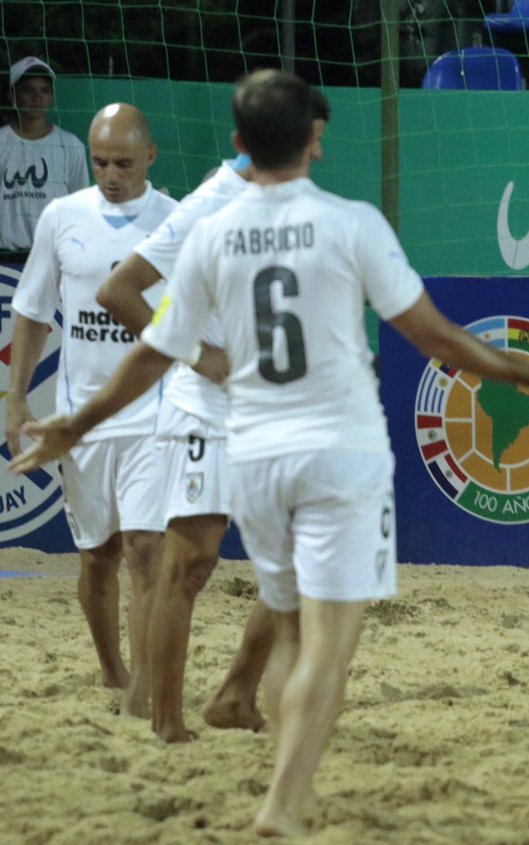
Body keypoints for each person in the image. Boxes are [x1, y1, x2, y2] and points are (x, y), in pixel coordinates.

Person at [9, 69, 529, 837]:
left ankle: (235, 700)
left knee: (248, 595)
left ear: (237, 144)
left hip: (262, 445)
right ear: (316, 141)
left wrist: (73, 418)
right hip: (319, 439)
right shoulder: (339, 222)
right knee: (310, 627)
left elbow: (151, 354)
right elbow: (438, 340)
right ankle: (274, 789)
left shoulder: (219, 231)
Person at [93, 89, 332, 745]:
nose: (316, 149)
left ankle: (233, 694)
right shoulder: (212, 201)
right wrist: (197, 354)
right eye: (308, 137)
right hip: (206, 415)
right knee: (188, 568)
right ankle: (167, 724)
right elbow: (116, 291)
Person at [5, 103, 176, 717]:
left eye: (124, 163)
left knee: (148, 553)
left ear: (150, 158)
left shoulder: (175, 224)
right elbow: (31, 311)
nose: (111, 173)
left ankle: (144, 693)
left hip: (155, 419)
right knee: (98, 557)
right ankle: (113, 671)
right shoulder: (62, 217)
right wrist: (16, 395)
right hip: (83, 422)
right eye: (101, 162)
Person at [0, 57, 89, 257]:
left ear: (52, 97)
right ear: (12, 96)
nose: (37, 97)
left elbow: (79, 208)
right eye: (29, 90)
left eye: (44, 90)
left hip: (52, 257)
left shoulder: (71, 146)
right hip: (4, 257)